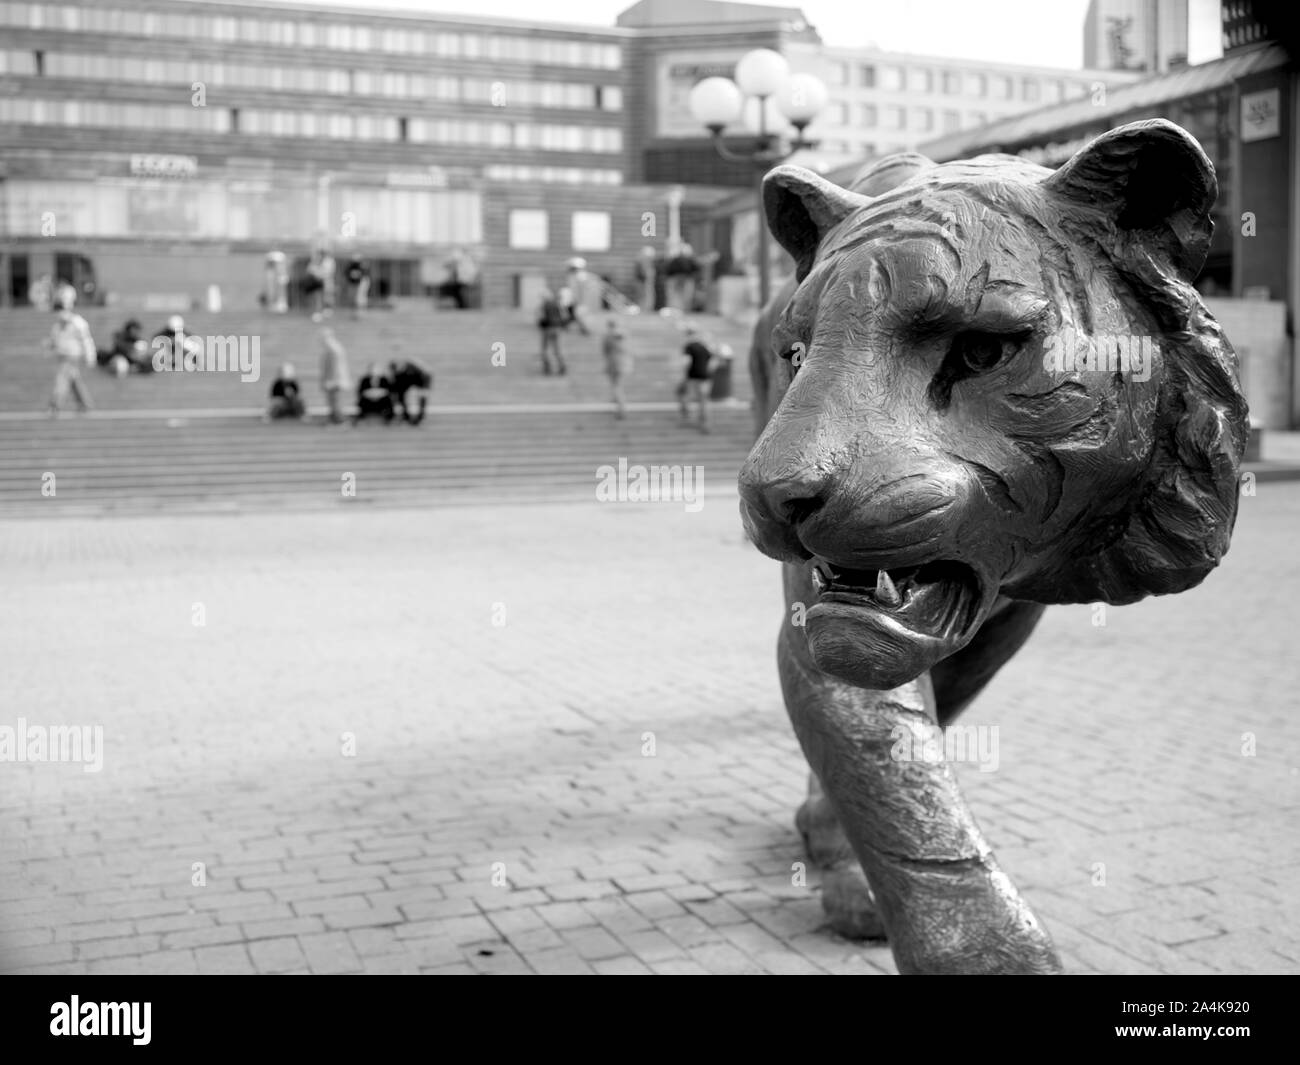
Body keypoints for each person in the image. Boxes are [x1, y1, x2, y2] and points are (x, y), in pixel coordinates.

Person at [43, 286, 95, 416]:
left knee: (61, 380)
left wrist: (90, 356)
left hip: (72, 356)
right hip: (62, 355)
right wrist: (49, 346)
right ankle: (84, 404)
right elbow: (54, 341)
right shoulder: (57, 326)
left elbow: (86, 340)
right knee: (74, 381)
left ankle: (55, 406)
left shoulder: (78, 322)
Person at [679, 325, 714, 433]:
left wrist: (684, 376)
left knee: (684, 396)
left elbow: (686, 362)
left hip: (693, 377)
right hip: (706, 377)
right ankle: (705, 424)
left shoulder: (689, 347)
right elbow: (711, 362)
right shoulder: (704, 347)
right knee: (704, 401)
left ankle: (687, 415)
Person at [318, 326, 351, 426]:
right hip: (333, 380)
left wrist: (331, 381)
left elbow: (335, 367)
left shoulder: (334, 349)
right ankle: (333, 420)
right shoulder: (331, 348)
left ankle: (340, 421)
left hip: (335, 381)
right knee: (332, 402)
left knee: (336, 402)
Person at [601, 318, 631, 420]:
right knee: (618, 385)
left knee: (616, 386)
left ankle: (621, 408)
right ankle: (617, 403)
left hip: (614, 363)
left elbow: (605, 351)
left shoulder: (608, 336)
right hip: (624, 363)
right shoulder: (624, 335)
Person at [389, 359, 433, 426]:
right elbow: (395, 387)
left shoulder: (417, 367)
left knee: (423, 396)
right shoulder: (398, 374)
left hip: (421, 378)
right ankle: (405, 415)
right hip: (408, 378)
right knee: (400, 395)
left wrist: (424, 390)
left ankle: (421, 415)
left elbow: (427, 376)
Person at [537, 288, 567, 376]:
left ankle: (547, 367)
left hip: (547, 329)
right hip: (557, 328)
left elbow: (541, 317)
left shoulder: (544, 305)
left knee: (545, 349)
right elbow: (564, 315)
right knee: (557, 349)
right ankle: (562, 366)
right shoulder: (557, 304)